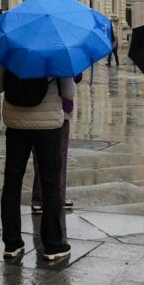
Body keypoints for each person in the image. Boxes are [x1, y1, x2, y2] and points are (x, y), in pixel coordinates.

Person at [0, 66, 76, 261]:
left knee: (12, 183)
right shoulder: (56, 55)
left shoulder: (10, 53)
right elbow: (69, 92)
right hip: (48, 126)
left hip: (16, 125)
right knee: (50, 184)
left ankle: (12, 244)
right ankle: (53, 245)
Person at [30, 73, 82, 215]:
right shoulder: (62, 61)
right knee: (59, 156)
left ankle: (44, 199)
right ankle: (49, 198)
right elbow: (70, 91)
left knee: (42, 157)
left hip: (35, 111)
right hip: (56, 111)